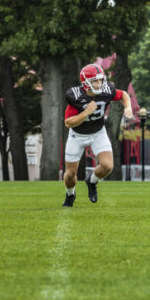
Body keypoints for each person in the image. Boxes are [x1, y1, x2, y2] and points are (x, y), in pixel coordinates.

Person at [61, 63, 132, 207]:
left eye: (100, 80)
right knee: (70, 175)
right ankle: (70, 194)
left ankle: (91, 181)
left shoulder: (106, 90)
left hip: (98, 132)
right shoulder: (75, 95)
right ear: (85, 83)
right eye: (95, 81)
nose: (99, 83)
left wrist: (128, 107)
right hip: (77, 135)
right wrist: (86, 112)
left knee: (107, 166)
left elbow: (123, 94)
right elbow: (68, 123)